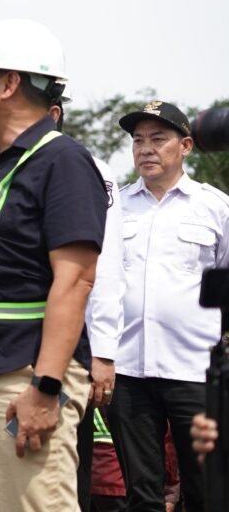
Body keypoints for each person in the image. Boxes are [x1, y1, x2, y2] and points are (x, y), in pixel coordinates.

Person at [0, 19, 107, 511]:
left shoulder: (65, 162)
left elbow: (74, 282)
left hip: (25, 375)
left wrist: (46, 387)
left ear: (9, 83)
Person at [109, 100, 229, 511]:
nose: (146, 148)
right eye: (138, 140)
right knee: (141, 493)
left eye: (158, 139)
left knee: (205, 488)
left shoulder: (215, 207)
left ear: (187, 146)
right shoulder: (115, 208)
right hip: (127, 371)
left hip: (194, 370)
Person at [49, 100, 125, 512]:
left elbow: (106, 265)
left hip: (67, 350)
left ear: (54, 112)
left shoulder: (88, 168)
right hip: (1, 350)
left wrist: (103, 352)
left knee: (62, 471)